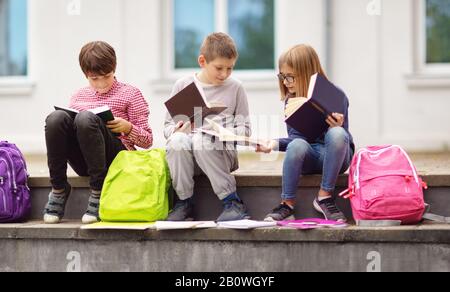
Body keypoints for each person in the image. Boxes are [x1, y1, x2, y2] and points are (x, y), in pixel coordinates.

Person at [43, 41, 153, 224]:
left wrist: (128, 128)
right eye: (94, 79)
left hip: (116, 159)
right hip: (85, 160)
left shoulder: (131, 94)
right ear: (86, 74)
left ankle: (98, 191)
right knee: (56, 118)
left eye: (106, 76)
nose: (101, 84)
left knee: (86, 119)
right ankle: (59, 188)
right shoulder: (78, 95)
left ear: (114, 68)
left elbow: (147, 140)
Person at [257, 44, 355, 222]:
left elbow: (343, 139)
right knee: (296, 145)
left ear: (307, 73)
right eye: (282, 76)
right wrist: (273, 144)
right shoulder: (291, 102)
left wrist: (336, 126)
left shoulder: (337, 96)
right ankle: (287, 204)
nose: (285, 82)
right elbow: (297, 140)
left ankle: (324, 197)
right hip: (310, 156)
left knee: (338, 134)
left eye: (290, 77)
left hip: (335, 156)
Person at [164, 32, 252, 222]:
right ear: (202, 61)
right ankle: (184, 203)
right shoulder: (183, 85)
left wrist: (223, 132)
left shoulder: (236, 87)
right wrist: (176, 130)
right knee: (178, 140)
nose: (225, 74)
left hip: (220, 153)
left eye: (230, 68)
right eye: (219, 68)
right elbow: (167, 128)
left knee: (202, 139)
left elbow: (245, 130)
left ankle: (232, 202)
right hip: (189, 158)